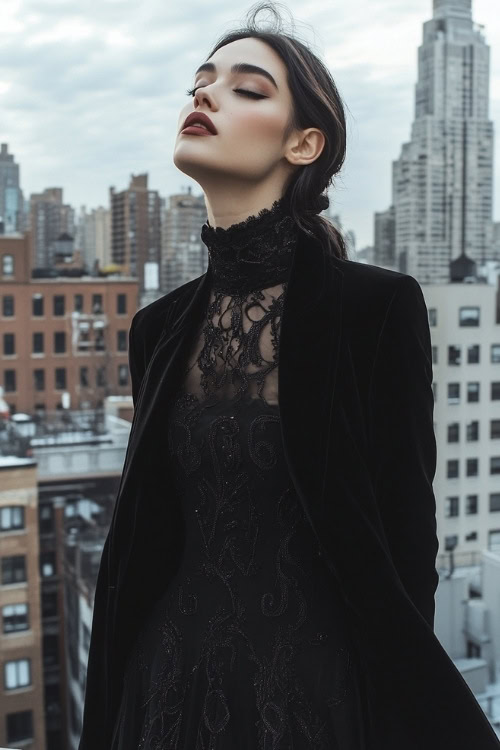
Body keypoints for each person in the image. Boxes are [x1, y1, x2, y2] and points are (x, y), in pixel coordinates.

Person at [78, 3, 500, 749]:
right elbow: (145, 539)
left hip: (318, 700)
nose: (204, 95)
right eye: (200, 82)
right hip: (166, 689)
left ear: (305, 142)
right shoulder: (158, 328)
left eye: (246, 88)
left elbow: (406, 547)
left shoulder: (377, 308)